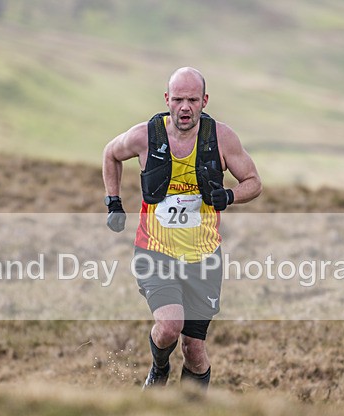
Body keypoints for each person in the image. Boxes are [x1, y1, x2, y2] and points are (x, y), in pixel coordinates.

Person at [101, 66, 262, 390]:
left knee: (195, 350)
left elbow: (254, 182)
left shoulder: (221, 138)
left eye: (191, 99)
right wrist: (114, 202)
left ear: (204, 101)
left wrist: (229, 195)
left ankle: (189, 413)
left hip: (203, 256)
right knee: (169, 326)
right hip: (155, 250)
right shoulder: (145, 136)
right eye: (178, 99)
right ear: (167, 100)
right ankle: (159, 370)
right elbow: (111, 154)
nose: (184, 107)